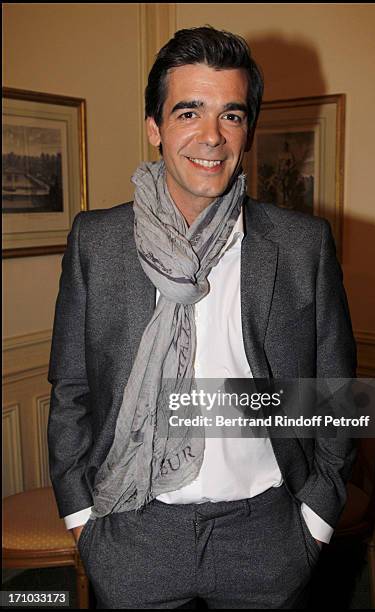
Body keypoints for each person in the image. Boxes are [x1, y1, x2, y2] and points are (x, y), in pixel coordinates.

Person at [47, 26, 357, 609]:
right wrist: (82, 519)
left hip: (267, 533)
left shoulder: (302, 246)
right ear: (154, 126)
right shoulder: (97, 241)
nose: (211, 136)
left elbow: (339, 396)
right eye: (189, 111)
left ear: (248, 130)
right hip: (133, 529)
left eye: (231, 115)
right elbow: (71, 390)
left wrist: (314, 520)